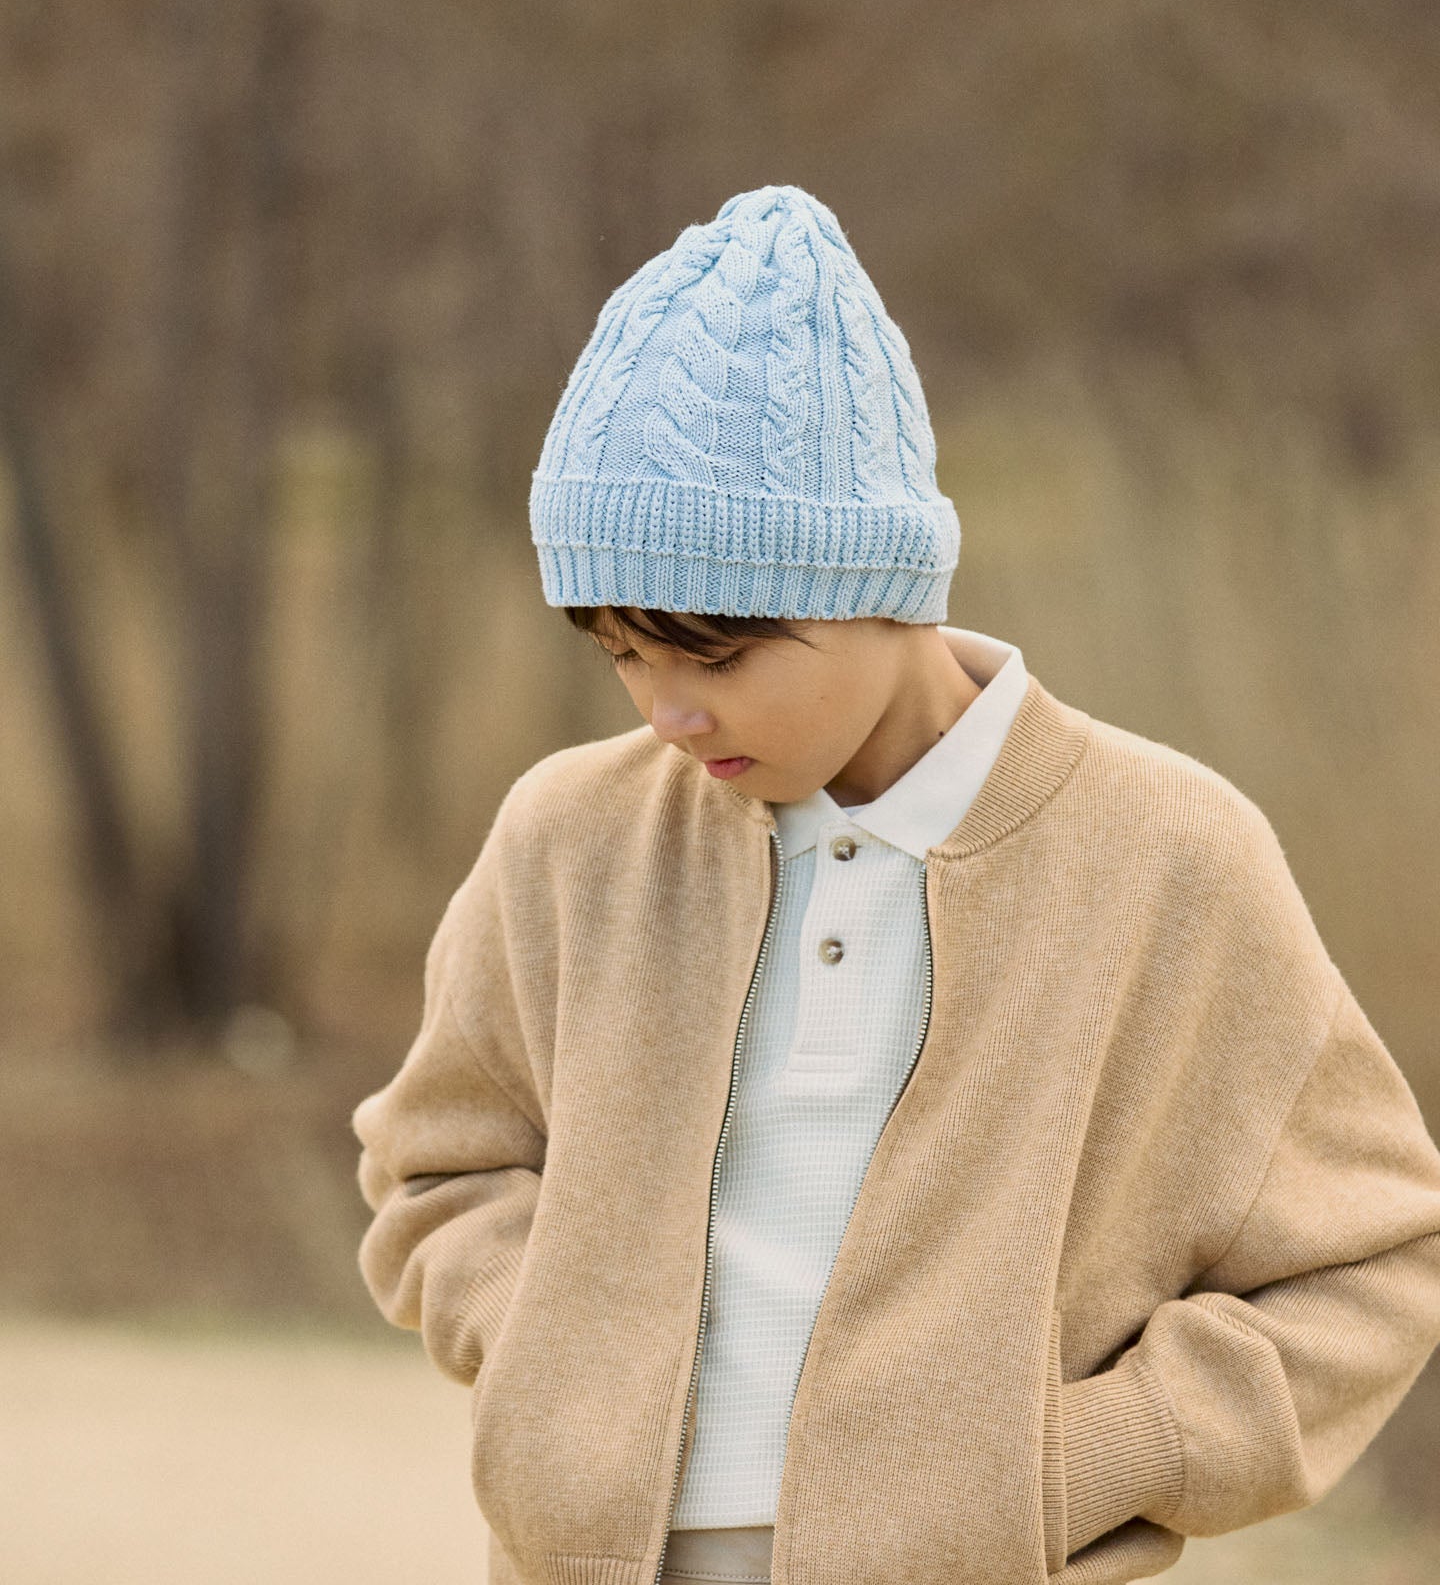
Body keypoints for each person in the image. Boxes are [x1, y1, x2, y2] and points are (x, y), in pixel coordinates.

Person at [351, 184, 1440, 1585]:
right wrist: (559, 1370)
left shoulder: (1168, 855)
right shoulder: (572, 837)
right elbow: (441, 1165)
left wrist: (1076, 1462)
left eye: (714, 653)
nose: (667, 710)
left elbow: (1372, 1264)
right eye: (621, 652)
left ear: (885, 585)